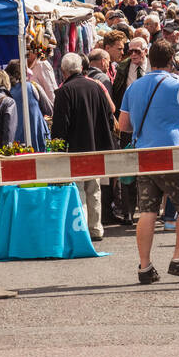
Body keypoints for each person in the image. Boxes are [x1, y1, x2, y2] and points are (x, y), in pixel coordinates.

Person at [117, 40, 179, 283]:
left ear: (149, 58)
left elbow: (124, 126)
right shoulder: (177, 85)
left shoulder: (135, 87)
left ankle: (144, 266)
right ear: (172, 59)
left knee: (148, 210)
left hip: (144, 152)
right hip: (171, 153)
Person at [51, 53, 117, 242]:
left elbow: (60, 125)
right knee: (94, 187)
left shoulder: (64, 91)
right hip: (96, 145)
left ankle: (82, 229)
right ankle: (95, 228)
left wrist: (58, 148)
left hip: (76, 147)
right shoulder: (96, 87)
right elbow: (108, 116)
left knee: (78, 188)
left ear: (64, 71)